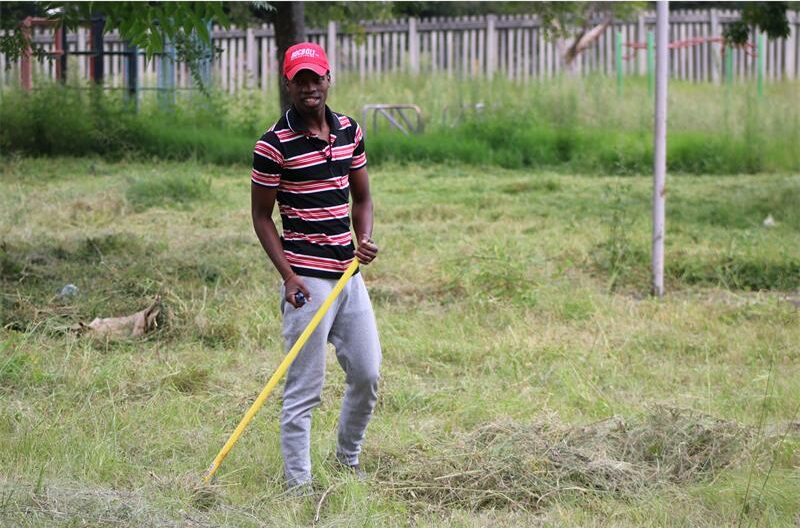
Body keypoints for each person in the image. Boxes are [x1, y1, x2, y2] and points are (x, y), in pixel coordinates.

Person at [250, 42, 381, 493]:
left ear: (328, 79)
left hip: (349, 276)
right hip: (306, 281)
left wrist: (362, 240)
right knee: (304, 390)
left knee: (367, 374)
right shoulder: (273, 145)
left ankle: (348, 459)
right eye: (300, 79)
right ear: (288, 83)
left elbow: (361, 198)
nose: (309, 86)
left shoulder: (350, 131)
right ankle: (298, 486)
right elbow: (261, 217)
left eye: (316, 77)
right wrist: (288, 276)